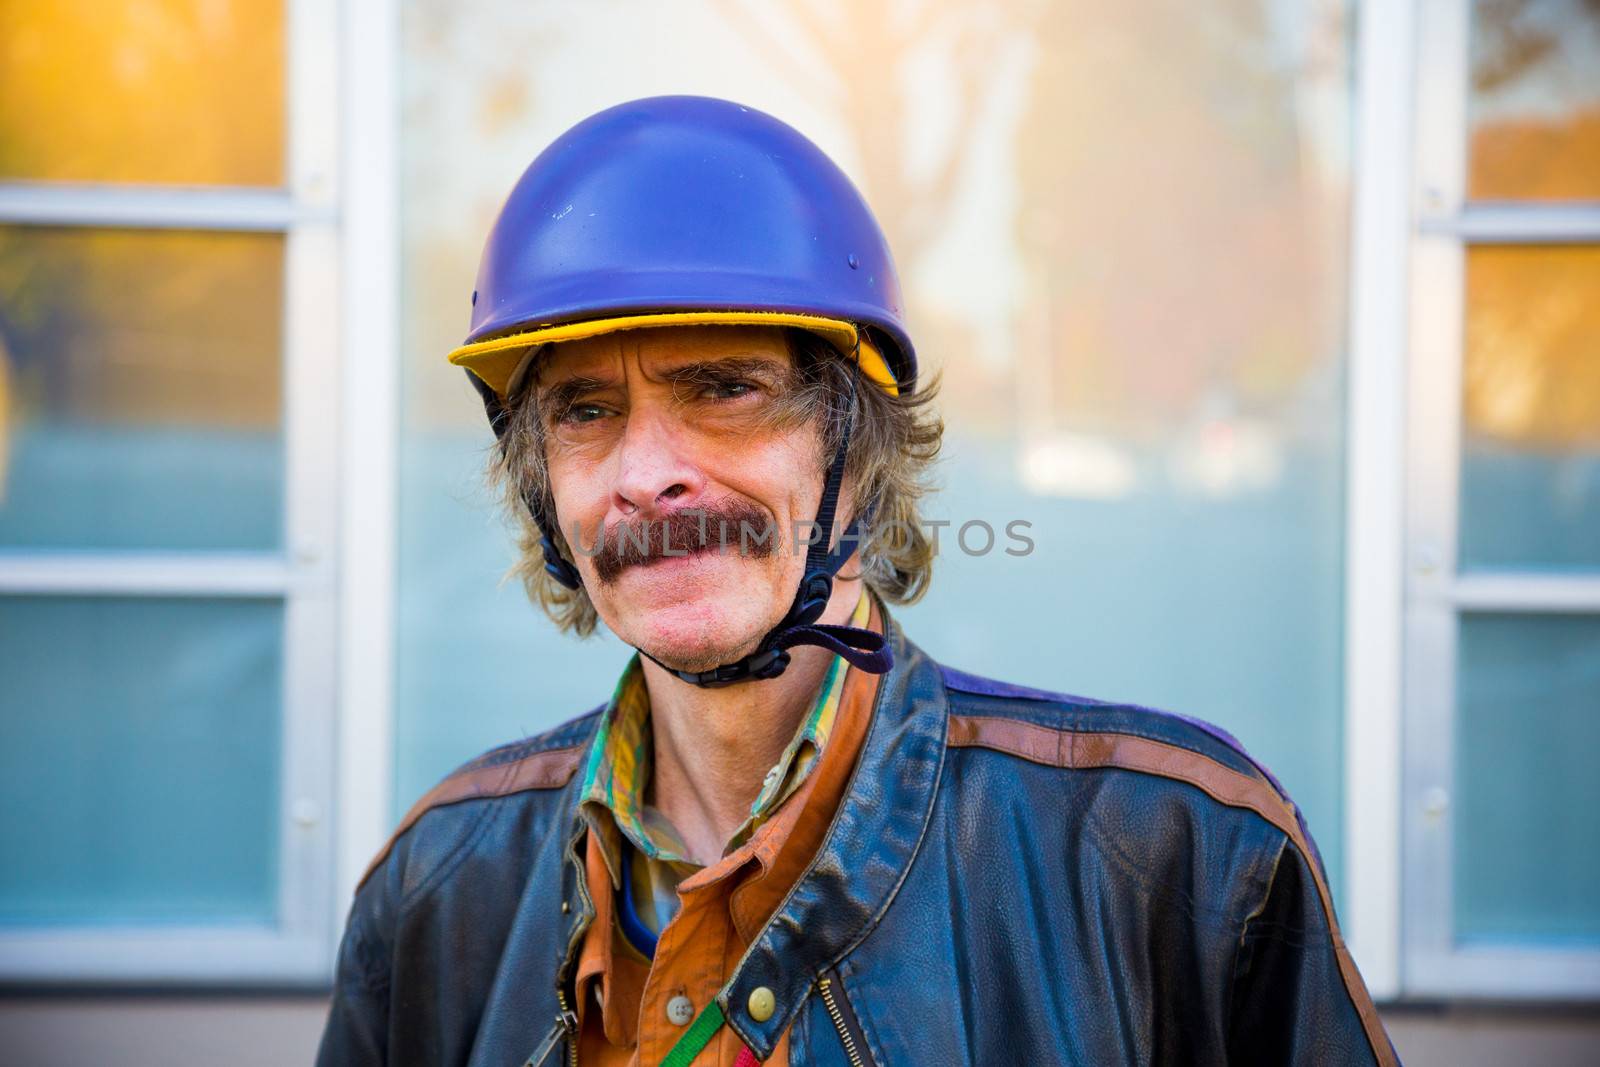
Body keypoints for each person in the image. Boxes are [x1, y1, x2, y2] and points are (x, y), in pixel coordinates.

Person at [317, 95, 1398, 1067]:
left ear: (857, 445)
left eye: (725, 387)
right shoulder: (436, 887)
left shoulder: (1177, 859)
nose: (645, 475)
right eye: (585, 411)